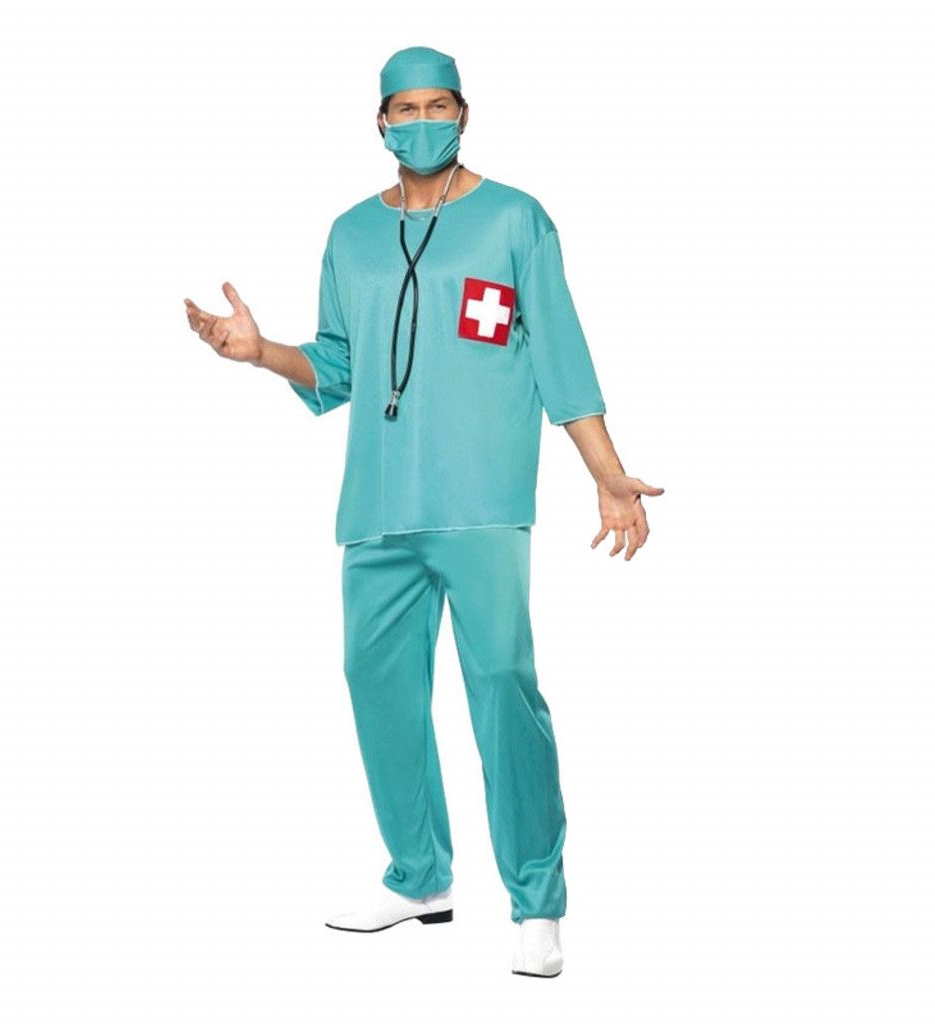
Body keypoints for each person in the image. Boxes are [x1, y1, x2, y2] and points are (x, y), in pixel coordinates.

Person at [184, 45, 664, 979]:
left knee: (504, 688)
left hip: (481, 501)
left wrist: (607, 474)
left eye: (437, 105)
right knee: (378, 688)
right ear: (379, 122)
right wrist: (261, 351)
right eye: (404, 109)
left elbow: (560, 353)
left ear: (464, 114)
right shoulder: (350, 235)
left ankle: (536, 900)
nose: (421, 121)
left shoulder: (514, 220)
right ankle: (418, 877)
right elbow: (338, 367)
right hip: (376, 507)